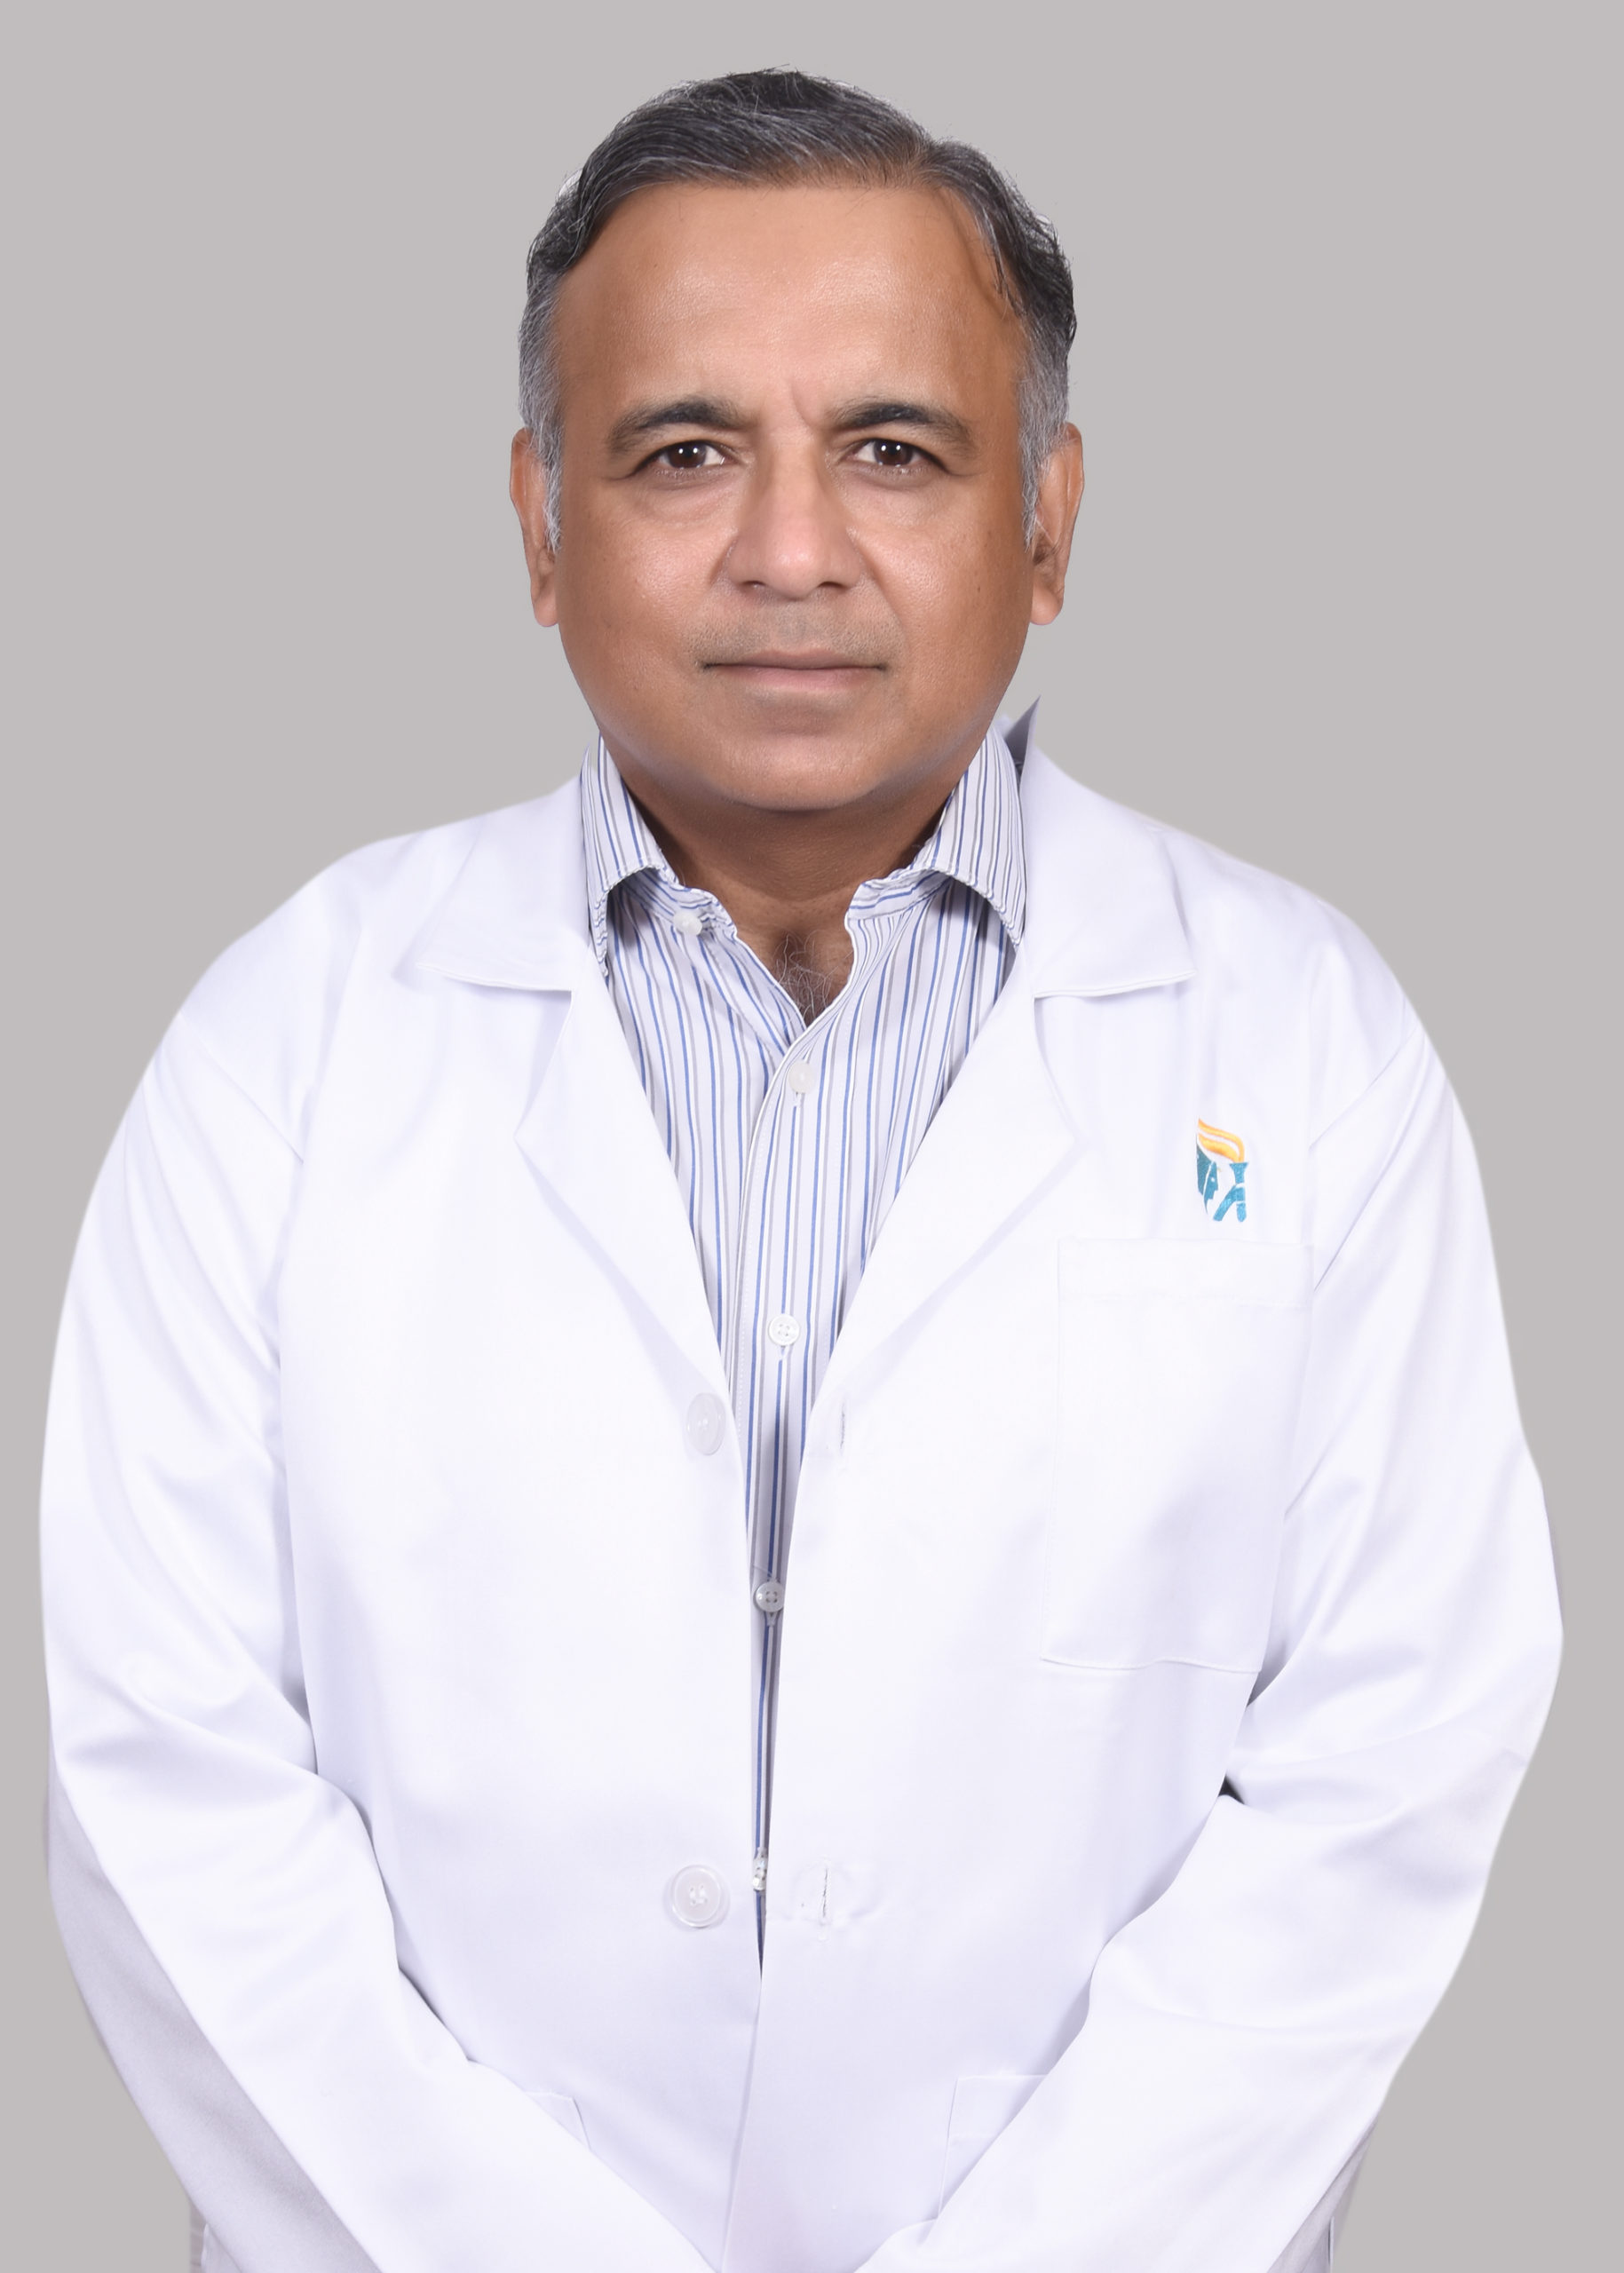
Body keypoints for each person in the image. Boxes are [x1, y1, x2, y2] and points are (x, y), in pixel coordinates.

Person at [41, 68, 1560, 2273]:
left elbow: (1391, 1754)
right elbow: (160, 1770)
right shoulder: (284, 1041)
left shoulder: (1306, 1046)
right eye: (682, 451)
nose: (789, 550)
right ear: (538, 520)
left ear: (1048, 519)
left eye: (894, 450)